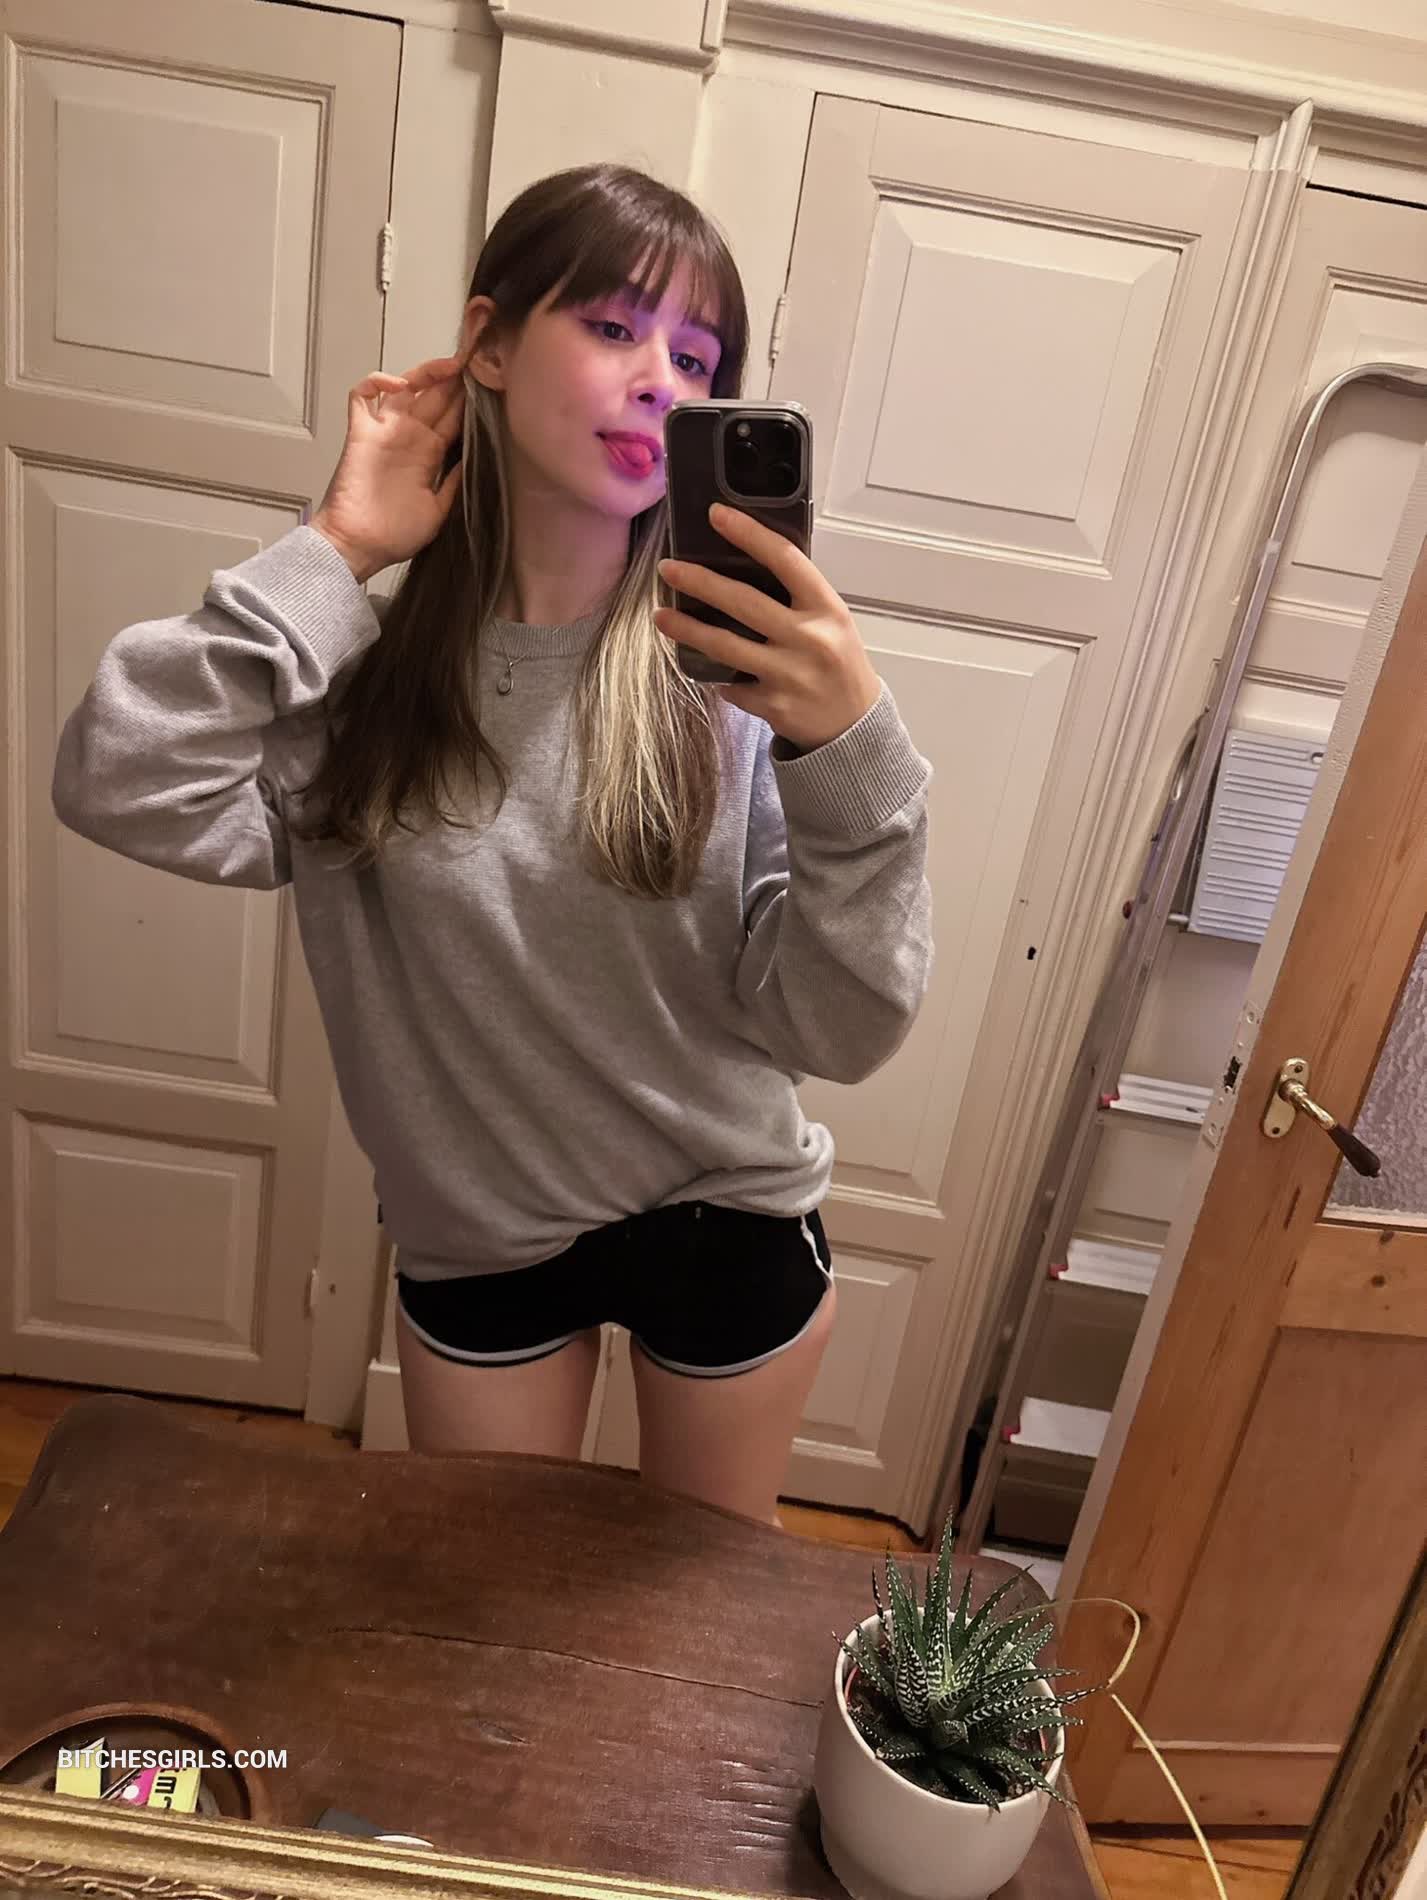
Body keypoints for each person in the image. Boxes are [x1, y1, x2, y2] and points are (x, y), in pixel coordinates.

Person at [51, 162, 934, 1529]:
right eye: (614, 326)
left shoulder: (737, 680)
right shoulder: (353, 674)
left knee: (694, 1625)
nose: (660, 382)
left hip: (727, 1213)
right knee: (489, 1618)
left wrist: (854, 759)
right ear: (491, 343)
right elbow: (120, 774)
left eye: (696, 358)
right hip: (479, 1235)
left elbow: (840, 1026)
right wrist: (338, 546)